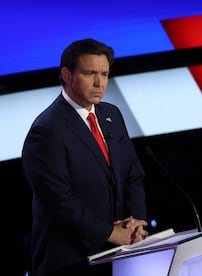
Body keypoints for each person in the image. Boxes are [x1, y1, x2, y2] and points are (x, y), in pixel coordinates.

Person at [21, 38, 148, 276]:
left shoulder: (112, 114)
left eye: (105, 74)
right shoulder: (47, 130)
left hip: (120, 255)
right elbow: (59, 201)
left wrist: (135, 224)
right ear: (67, 75)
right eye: (90, 73)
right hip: (72, 260)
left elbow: (133, 175)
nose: (100, 83)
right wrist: (110, 233)